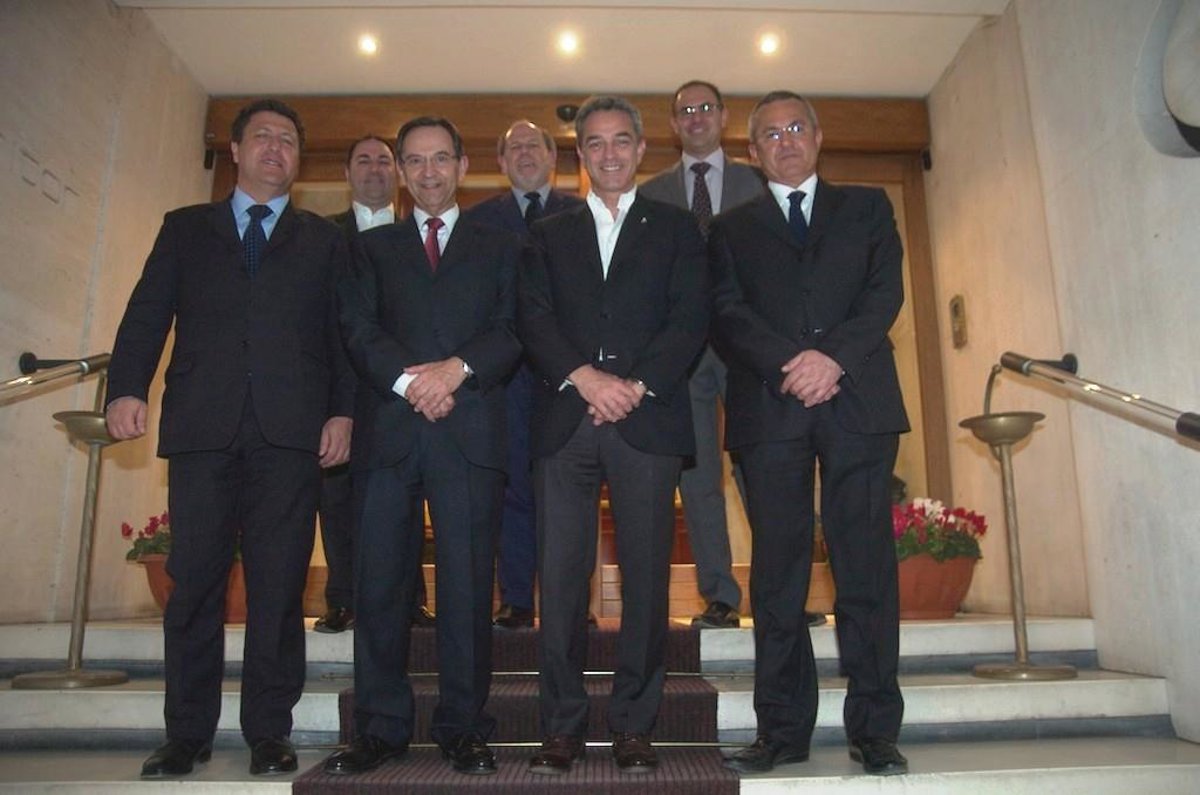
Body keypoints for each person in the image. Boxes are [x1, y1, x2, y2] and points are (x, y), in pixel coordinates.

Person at [105, 98, 354, 778]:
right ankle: (185, 734)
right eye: (262, 137)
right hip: (202, 429)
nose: (275, 148)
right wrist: (126, 388)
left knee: (278, 585)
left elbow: (340, 334)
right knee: (194, 585)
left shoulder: (325, 240)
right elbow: (147, 312)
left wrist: (342, 412)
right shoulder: (185, 228)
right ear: (237, 151)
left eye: (287, 140)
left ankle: (269, 731)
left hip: (290, 433)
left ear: (298, 160)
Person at [709, 91, 910, 776]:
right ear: (752, 152)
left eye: (797, 127)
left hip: (859, 402)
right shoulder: (729, 228)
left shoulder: (868, 208)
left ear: (819, 137)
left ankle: (875, 729)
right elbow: (726, 312)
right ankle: (782, 729)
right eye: (770, 133)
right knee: (777, 574)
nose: (786, 140)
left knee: (866, 568)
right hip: (771, 408)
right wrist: (790, 366)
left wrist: (833, 359)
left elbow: (883, 294)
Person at [323, 116, 521, 777]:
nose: (429, 171)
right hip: (390, 433)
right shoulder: (371, 248)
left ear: (463, 166)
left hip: (468, 430)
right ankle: (379, 728)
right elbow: (357, 328)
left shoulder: (502, 244)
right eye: (415, 160)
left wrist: (455, 371)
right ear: (402, 172)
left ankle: (463, 727)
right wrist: (413, 383)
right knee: (380, 586)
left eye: (441, 158)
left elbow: (513, 327)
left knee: (467, 587)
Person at [518, 95, 708, 775]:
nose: (609, 154)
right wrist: (586, 379)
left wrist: (634, 384)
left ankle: (634, 725)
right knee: (561, 580)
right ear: (580, 155)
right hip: (566, 419)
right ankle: (561, 727)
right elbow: (532, 316)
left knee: (647, 578)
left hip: (645, 419)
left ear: (642, 148)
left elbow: (691, 318)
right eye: (594, 143)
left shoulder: (679, 227)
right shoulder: (547, 232)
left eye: (621, 140)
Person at [639, 79, 765, 630]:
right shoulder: (652, 194)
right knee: (698, 477)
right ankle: (720, 595)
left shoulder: (758, 182)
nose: (696, 117)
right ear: (673, 124)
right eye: (685, 110)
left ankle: (782, 591)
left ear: (723, 116)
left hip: (750, 349)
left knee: (761, 467)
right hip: (682, 354)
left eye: (705, 108)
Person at [465, 120, 584, 630]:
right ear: (501, 161)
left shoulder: (581, 213)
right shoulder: (478, 221)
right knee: (512, 488)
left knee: (569, 492)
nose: (525, 153)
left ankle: (571, 603)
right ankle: (516, 598)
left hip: (568, 373)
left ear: (553, 157)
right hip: (504, 378)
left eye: (535, 145)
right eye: (514, 147)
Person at [317, 135, 434, 633]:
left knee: (408, 495)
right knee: (337, 496)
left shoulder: (420, 233)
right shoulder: (322, 235)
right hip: (337, 386)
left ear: (398, 173)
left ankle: (411, 600)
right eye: (362, 160)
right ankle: (343, 597)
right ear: (347, 173)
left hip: (403, 388)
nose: (374, 169)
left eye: (384, 161)